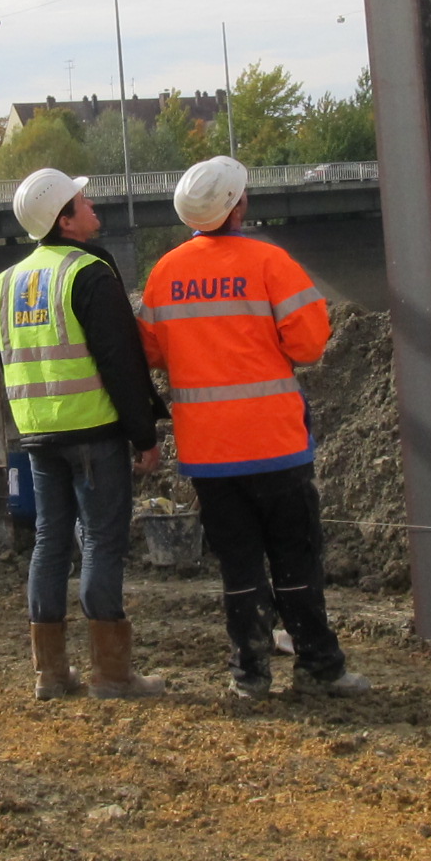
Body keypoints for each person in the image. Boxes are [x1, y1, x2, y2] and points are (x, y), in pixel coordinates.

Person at [140, 156, 362, 700]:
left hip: (208, 453)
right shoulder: (270, 262)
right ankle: (318, 665)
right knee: (296, 556)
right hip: (275, 445)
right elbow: (309, 345)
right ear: (238, 205)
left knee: (238, 565)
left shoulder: (166, 272)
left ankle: (250, 675)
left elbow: (151, 352)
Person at [0, 168, 168, 702]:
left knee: (50, 542)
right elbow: (122, 361)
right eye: (82, 201)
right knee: (101, 541)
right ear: (63, 219)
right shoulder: (89, 272)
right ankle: (112, 675)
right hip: (93, 430)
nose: (93, 206)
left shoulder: (9, 281)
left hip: (39, 433)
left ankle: (50, 673)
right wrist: (145, 435)